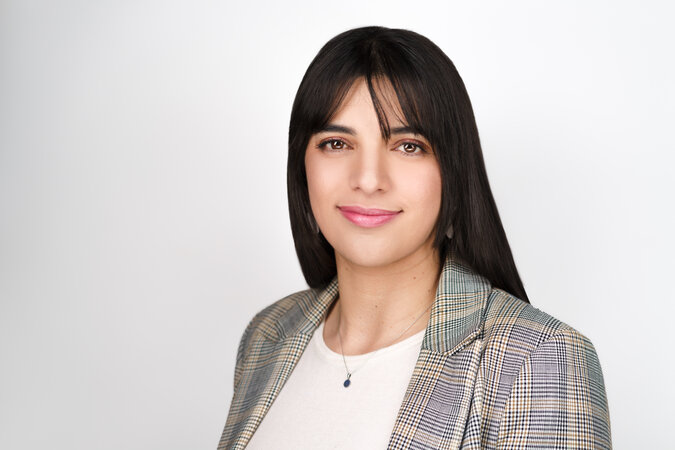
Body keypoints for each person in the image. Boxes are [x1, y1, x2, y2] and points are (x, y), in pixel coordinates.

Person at [217, 26, 611, 449]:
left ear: (453, 171)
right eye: (336, 143)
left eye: (408, 146)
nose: (368, 179)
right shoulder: (268, 334)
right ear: (302, 167)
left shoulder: (538, 358)